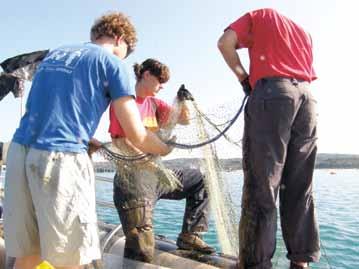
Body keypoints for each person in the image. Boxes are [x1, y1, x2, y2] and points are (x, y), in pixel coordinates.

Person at [3, 12, 172, 269]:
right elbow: (136, 134)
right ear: (119, 38)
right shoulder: (114, 64)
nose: (123, 59)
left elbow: (55, 109)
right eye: (124, 52)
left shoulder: (56, 54)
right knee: (71, 259)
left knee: (29, 253)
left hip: (19, 154)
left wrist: (86, 136)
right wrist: (164, 147)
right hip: (60, 160)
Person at [217, 8, 320, 269]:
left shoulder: (260, 15)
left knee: (262, 184)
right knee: (300, 186)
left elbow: (225, 43)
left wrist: (244, 77)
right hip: (307, 99)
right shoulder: (303, 32)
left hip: (274, 95)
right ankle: (301, 261)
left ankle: (254, 263)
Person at [109, 58, 215, 263]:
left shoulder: (155, 104)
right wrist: (152, 166)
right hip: (133, 182)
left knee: (201, 179)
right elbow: (120, 142)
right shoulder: (124, 104)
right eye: (160, 80)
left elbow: (182, 120)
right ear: (146, 74)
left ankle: (190, 236)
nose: (162, 86)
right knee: (142, 251)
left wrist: (182, 101)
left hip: (158, 176)